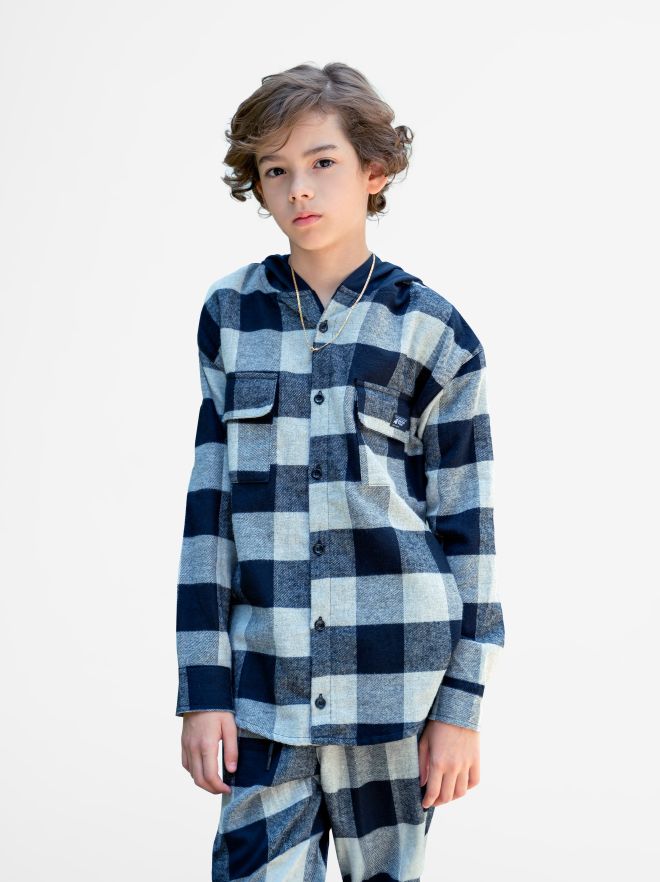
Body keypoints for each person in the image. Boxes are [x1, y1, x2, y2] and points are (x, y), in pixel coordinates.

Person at [175, 61, 505, 882]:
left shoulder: (435, 332)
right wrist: (202, 690)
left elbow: (470, 534)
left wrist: (461, 710)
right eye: (275, 171)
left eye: (322, 162)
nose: (299, 189)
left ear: (374, 170)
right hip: (264, 690)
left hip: (399, 690)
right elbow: (209, 515)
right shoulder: (230, 316)